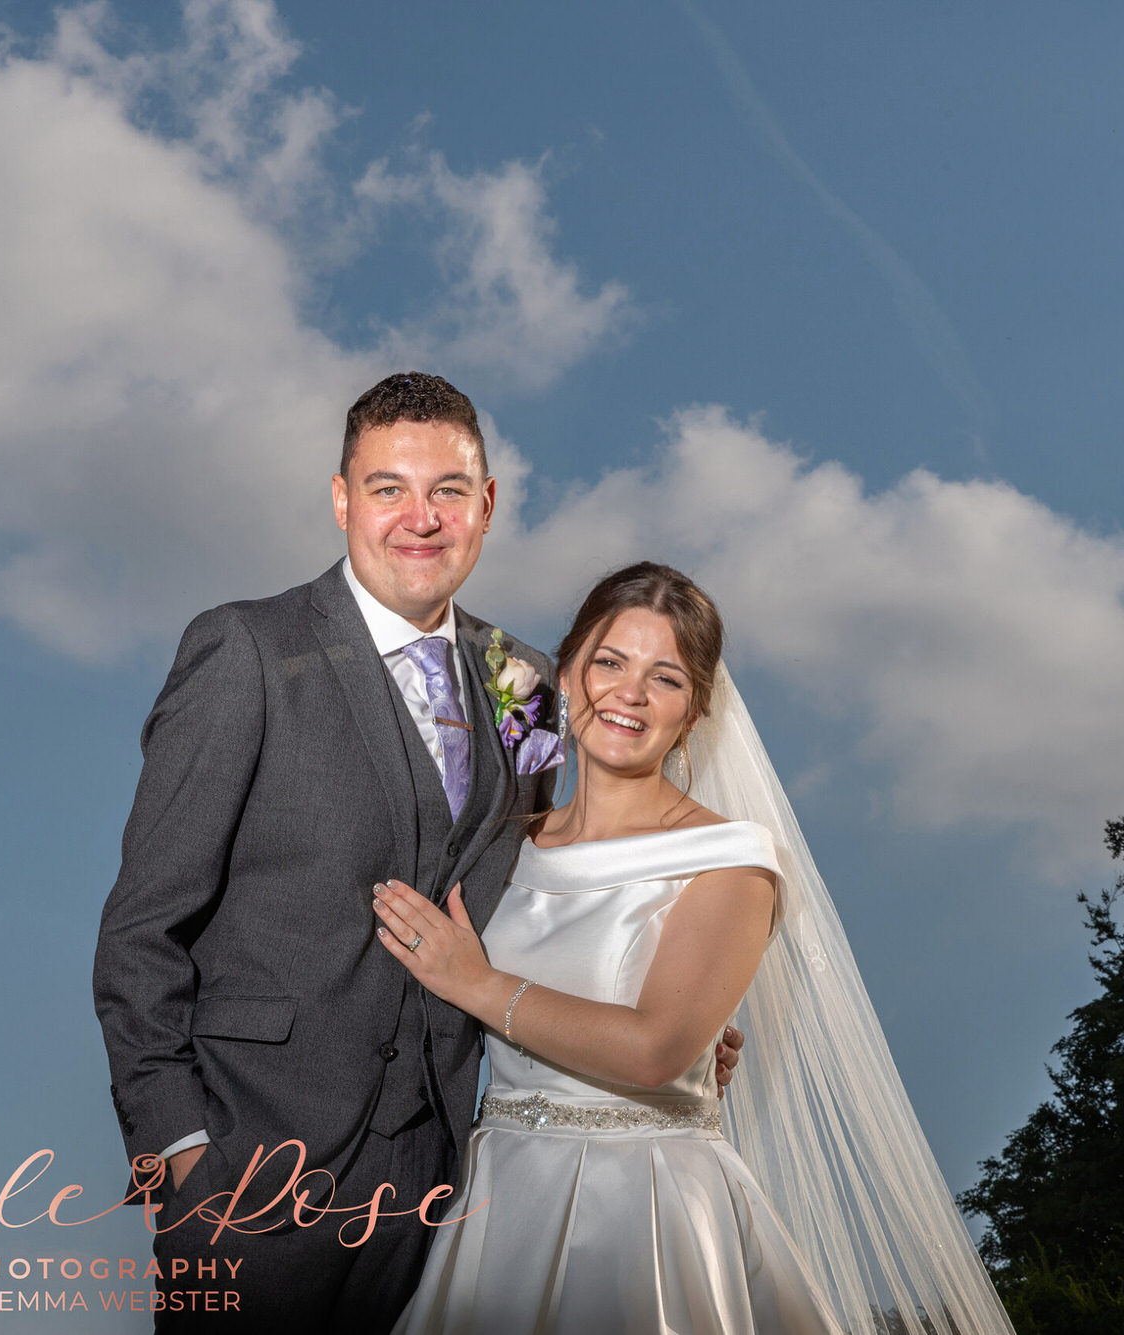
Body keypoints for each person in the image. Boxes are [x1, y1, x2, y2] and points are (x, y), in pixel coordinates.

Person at [91, 373, 743, 1333]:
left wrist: (659, 1005)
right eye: (389, 486)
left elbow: (541, 888)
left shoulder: (523, 683)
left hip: (443, 1195)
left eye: (447, 489)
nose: (420, 517)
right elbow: (142, 932)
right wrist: (184, 1154)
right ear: (342, 498)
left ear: (487, 505)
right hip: (248, 1175)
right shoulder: (247, 649)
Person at [377, 563, 1016, 1335]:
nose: (629, 693)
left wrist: (474, 983)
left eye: (667, 677)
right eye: (608, 661)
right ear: (567, 670)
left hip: (645, 1215)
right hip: (494, 1203)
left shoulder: (732, 857)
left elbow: (651, 1051)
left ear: (696, 711)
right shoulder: (509, 839)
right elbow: (451, 642)